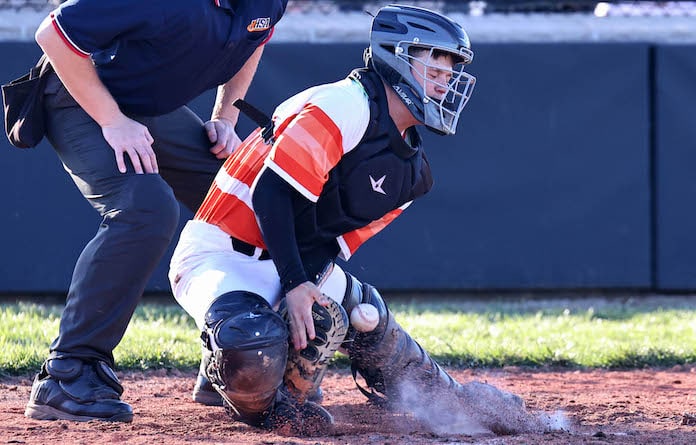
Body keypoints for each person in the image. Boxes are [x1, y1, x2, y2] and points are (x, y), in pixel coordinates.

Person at [169, 4, 548, 437]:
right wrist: (294, 286)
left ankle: (451, 397)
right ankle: (254, 389)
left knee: (368, 318)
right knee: (250, 346)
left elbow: (327, 246)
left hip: (288, 259)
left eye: (452, 66)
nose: (445, 76)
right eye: (433, 60)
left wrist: (312, 297)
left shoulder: (413, 175)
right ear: (393, 55)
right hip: (220, 251)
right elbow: (270, 194)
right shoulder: (343, 103)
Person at [22, 0, 288, 423]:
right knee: (146, 207)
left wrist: (224, 116)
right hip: (80, 94)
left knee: (253, 202)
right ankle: (68, 372)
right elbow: (53, 34)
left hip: (147, 107)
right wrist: (112, 121)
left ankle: (237, 358)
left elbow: (254, 39)